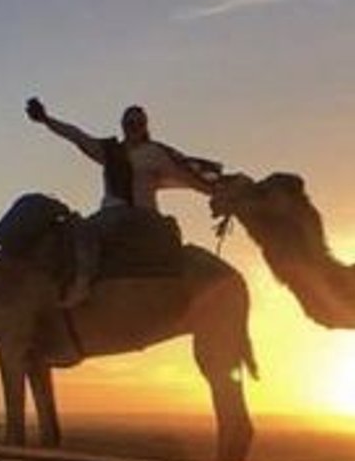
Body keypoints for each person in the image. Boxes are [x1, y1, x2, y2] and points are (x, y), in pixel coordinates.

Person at [24, 96, 221, 305]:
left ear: (145, 126)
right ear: (123, 126)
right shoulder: (110, 152)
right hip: (110, 214)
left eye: (138, 123)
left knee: (83, 230)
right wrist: (47, 120)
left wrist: (219, 193)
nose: (134, 127)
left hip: (138, 217)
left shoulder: (155, 153)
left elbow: (190, 177)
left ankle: (82, 284)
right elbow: (77, 136)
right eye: (130, 123)